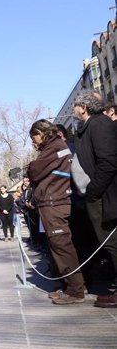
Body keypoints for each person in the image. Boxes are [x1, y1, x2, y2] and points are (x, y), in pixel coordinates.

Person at [27, 119, 87, 305]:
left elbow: (34, 171)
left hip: (54, 202)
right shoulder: (54, 147)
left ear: (42, 133)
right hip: (52, 201)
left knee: (62, 246)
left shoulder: (54, 147)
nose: (33, 142)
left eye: (34, 137)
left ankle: (76, 291)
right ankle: (71, 286)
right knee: (59, 247)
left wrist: (31, 166)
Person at [73, 91, 117, 308]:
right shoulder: (88, 127)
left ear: (84, 107)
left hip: (104, 196)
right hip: (96, 196)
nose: (74, 108)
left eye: (76, 104)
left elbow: (108, 162)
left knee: (113, 243)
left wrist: (93, 191)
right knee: (107, 243)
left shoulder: (100, 124)